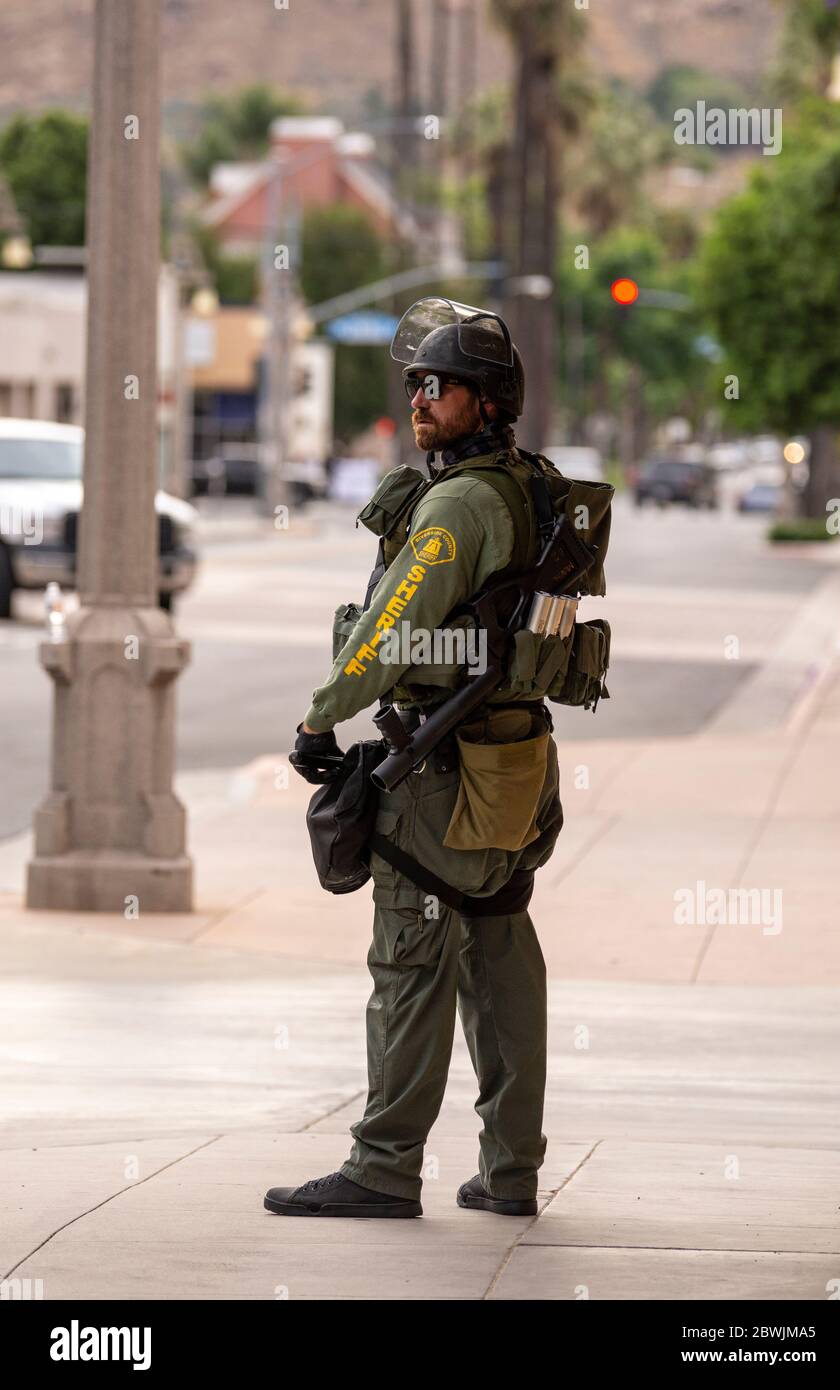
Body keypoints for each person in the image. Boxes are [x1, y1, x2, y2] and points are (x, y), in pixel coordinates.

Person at [265, 300, 565, 1220]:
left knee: (409, 965)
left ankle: (383, 1168)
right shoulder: (532, 486)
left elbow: (389, 633)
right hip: (517, 770)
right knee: (502, 954)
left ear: (488, 401)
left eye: (440, 386)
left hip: (442, 777)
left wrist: (321, 721)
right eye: (417, 384)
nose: (421, 399)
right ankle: (510, 1173)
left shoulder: (460, 503)